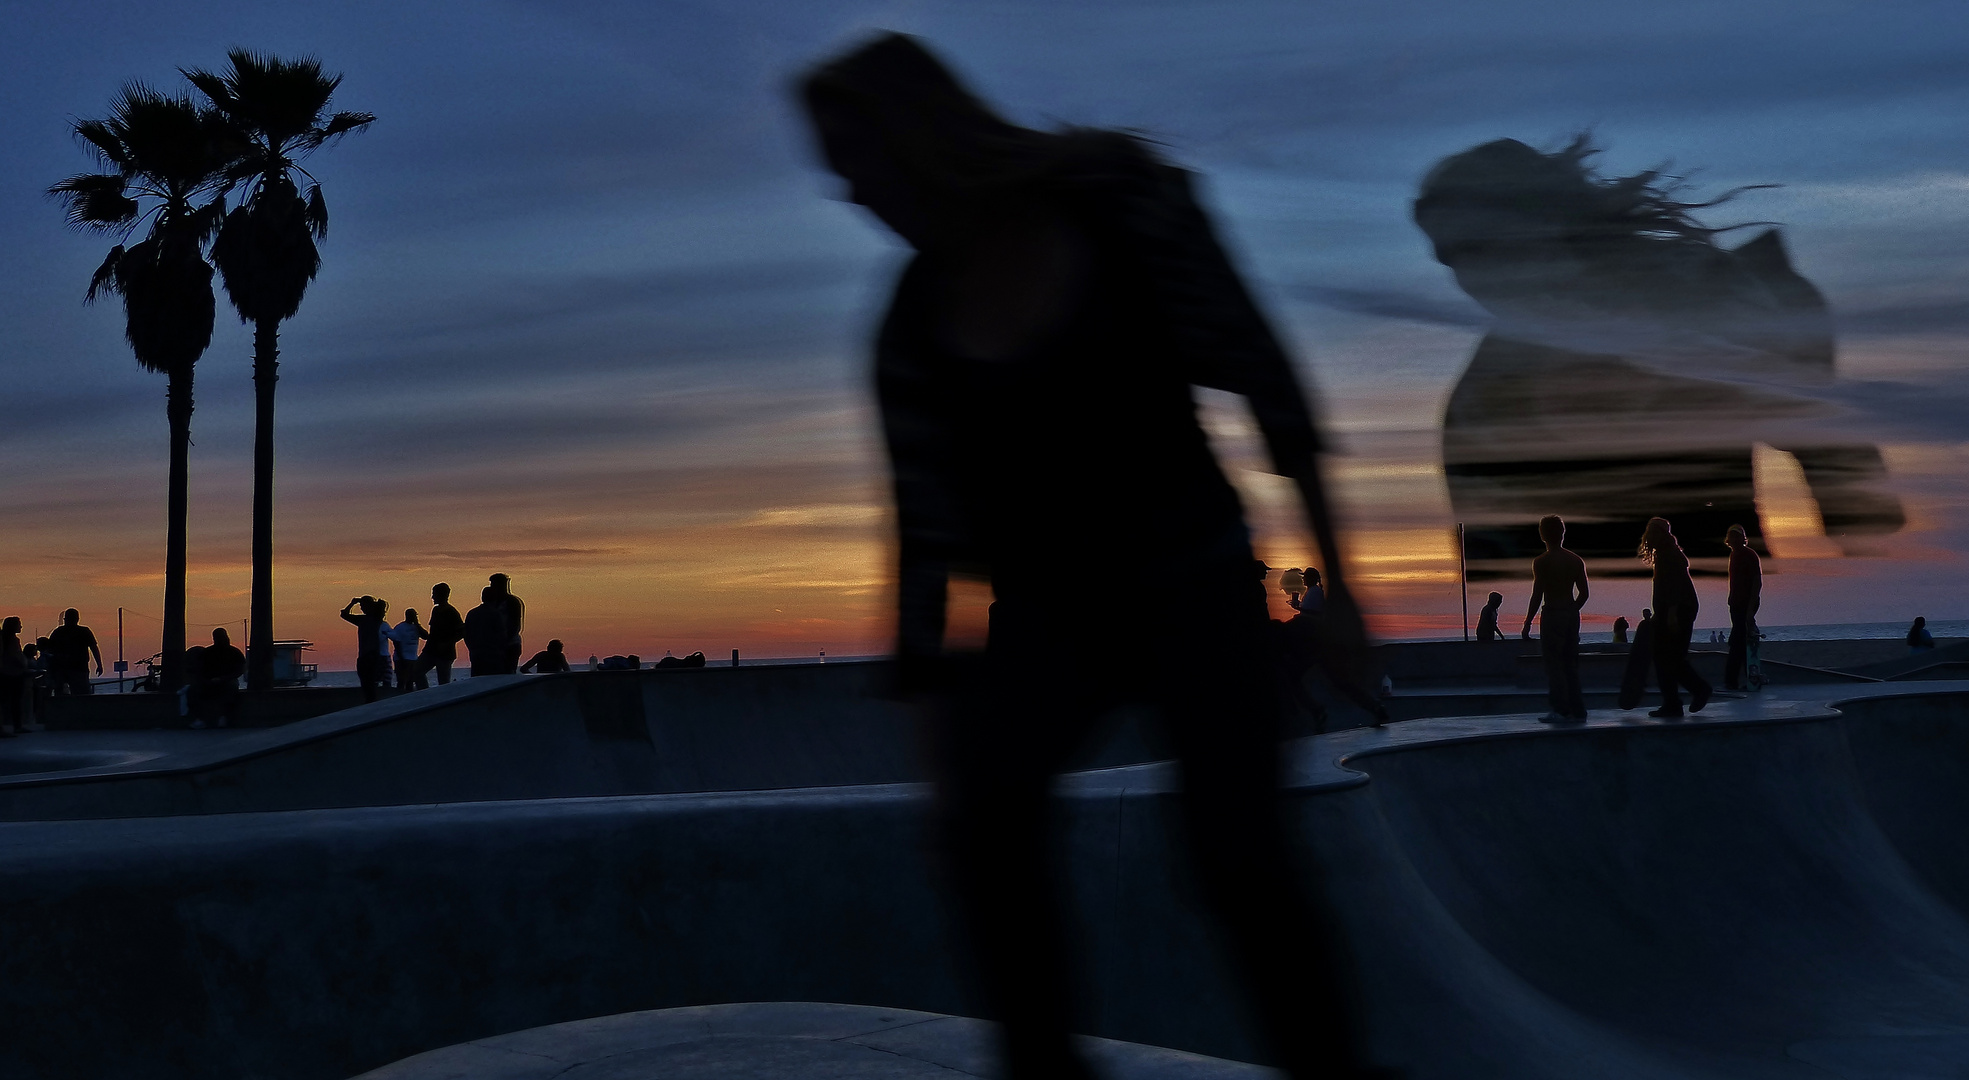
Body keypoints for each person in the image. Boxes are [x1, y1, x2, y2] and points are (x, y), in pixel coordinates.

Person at [798, 34, 1378, 1080]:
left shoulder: (1125, 206)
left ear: (916, 142)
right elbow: (937, 557)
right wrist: (952, 755)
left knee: (1238, 857)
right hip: (1040, 618)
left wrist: (1337, 592)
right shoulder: (911, 329)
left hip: (1194, 581)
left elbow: (1268, 390)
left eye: (857, 163)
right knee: (991, 840)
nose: (849, 193)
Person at [1639, 517, 1711, 718]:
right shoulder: (1665, 553)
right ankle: (1674, 703)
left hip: (1678, 612)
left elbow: (1675, 588)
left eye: (1652, 532)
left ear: (1660, 534)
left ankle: (1697, 690)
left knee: (1669, 658)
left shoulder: (1669, 555)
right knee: (1666, 658)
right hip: (1673, 611)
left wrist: (1670, 615)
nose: (1649, 537)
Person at [1522, 515, 1589, 722]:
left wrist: (1527, 623)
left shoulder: (1542, 562)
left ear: (1543, 535)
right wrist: (1571, 610)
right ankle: (1578, 709)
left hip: (1552, 615)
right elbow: (1584, 593)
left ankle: (1560, 709)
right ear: (1562, 533)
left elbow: (1537, 594)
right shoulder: (1575, 560)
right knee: (1570, 664)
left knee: (1554, 665)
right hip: (1570, 615)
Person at [340, 596, 392, 703]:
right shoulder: (374, 619)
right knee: (371, 684)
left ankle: (371, 703)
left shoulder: (364, 620)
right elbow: (344, 615)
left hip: (367, 656)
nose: (361, 609)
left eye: (362, 606)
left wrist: (352, 603)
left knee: (368, 684)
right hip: (372, 655)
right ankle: (373, 702)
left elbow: (344, 614)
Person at [191, 627, 245, 728]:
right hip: (209, 681)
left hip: (227, 680)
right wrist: (205, 680)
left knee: (232, 688)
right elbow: (199, 670)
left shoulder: (234, 652)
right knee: (193, 690)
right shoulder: (207, 652)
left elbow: (239, 671)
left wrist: (223, 679)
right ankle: (200, 718)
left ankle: (225, 716)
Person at [45, 608, 102, 696]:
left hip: (65, 669)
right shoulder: (84, 631)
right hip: (76, 669)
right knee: (81, 695)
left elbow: (49, 650)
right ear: (78, 619)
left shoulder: (58, 632)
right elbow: (94, 648)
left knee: (62, 695)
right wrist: (99, 664)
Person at [418, 583, 465, 686]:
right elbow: (433, 633)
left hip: (445, 654)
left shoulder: (452, 612)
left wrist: (447, 644)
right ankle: (425, 695)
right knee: (416, 671)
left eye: (434, 594)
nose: (432, 597)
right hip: (431, 651)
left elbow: (462, 632)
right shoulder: (436, 610)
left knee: (443, 683)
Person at [463, 587, 509, 677]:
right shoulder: (496, 614)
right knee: (494, 682)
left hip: (476, 654)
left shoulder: (472, 613)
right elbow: (502, 635)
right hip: (493, 655)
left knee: (478, 682)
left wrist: (472, 649)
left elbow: (466, 634)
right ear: (495, 598)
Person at [488, 573, 525, 675]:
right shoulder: (494, 602)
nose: (492, 587)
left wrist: (504, 640)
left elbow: (515, 625)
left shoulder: (512, 602)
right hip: (496, 645)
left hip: (510, 644)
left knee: (508, 672)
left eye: (494, 584)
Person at [388, 609, 430, 692]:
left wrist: (417, 624)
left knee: (410, 681)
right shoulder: (400, 627)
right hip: (401, 659)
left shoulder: (416, 627)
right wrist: (401, 658)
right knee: (401, 681)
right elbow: (396, 643)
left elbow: (426, 636)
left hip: (413, 658)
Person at [0, 617, 27, 736]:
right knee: (14, 701)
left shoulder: (6, 638)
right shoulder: (11, 640)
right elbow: (15, 656)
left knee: (7, 701)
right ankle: (16, 726)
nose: (21, 627)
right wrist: (24, 665)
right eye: (19, 624)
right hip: (12, 673)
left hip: (8, 673)